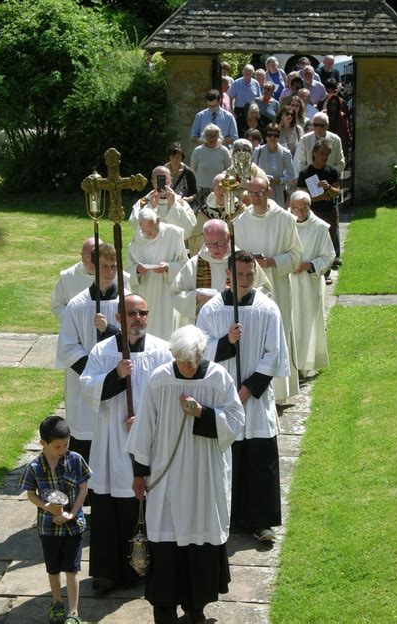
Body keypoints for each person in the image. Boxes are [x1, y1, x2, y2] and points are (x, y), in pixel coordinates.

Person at [127, 325, 245, 624]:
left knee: (200, 541)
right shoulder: (160, 379)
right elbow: (144, 429)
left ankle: (196, 609)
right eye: (181, 362)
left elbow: (235, 419)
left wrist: (204, 413)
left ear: (201, 353)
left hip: (204, 477)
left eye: (191, 362)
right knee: (165, 543)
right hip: (167, 478)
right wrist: (139, 473)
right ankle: (164, 612)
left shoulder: (218, 377)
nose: (187, 368)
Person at [79, 294, 172, 595]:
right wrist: (116, 376)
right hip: (110, 441)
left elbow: (170, 396)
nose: (138, 319)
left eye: (143, 313)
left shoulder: (162, 351)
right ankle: (107, 572)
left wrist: (147, 422)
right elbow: (87, 388)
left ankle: (143, 566)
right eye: (131, 314)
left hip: (147, 442)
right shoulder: (103, 351)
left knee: (146, 504)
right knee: (108, 506)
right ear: (118, 318)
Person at [196, 251, 289, 542]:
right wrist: (226, 342)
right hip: (223, 396)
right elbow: (198, 351)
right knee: (228, 457)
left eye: (250, 274)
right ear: (228, 274)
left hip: (255, 397)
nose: (246, 280)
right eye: (240, 274)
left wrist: (247, 389)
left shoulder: (267, 308)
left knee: (260, 458)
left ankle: (263, 522)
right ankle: (232, 516)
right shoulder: (210, 310)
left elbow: (274, 355)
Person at [56, 244, 126, 467]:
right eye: (104, 266)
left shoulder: (127, 302)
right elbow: (68, 348)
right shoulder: (77, 305)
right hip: (85, 386)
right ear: (92, 267)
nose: (110, 271)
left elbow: (137, 341)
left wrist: (111, 329)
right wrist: (95, 374)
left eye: (113, 266)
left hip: (119, 384)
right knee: (86, 441)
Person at [233, 177, 303, 402]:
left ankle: (280, 392)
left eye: (260, 192)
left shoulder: (285, 219)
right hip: (248, 286)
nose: (256, 197)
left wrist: (272, 261)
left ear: (269, 191)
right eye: (252, 194)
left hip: (277, 283)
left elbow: (296, 255)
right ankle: (250, 386)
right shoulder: (241, 221)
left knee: (277, 330)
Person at [20, 415, 91, 624]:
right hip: (48, 527)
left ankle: (74, 611)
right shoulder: (34, 467)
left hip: (73, 526)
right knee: (53, 568)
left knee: (72, 569)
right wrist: (47, 508)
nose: (63, 450)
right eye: (58, 447)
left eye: (66, 445)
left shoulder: (75, 459)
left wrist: (73, 512)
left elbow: (83, 488)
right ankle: (57, 603)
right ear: (43, 443)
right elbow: (30, 494)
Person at [172, 218, 273, 324]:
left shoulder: (243, 260)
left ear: (228, 237)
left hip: (241, 322)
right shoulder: (194, 264)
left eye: (219, 243)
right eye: (210, 244)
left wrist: (241, 294)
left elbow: (265, 289)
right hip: (206, 324)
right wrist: (196, 297)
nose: (215, 249)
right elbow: (176, 293)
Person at [289, 192, 335, 374]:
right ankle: (291, 367)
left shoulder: (320, 228)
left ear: (310, 206)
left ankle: (306, 366)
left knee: (307, 321)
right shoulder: (283, 223)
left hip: (309, 282)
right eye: (296, 208)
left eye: (304, 208)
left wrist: (309, 265)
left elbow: (329, 255)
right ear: (290, 205)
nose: (300, 212)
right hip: (287, 280)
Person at [127, 208, 188, 340]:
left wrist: (168, 267)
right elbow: (128, 269)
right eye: (145, 231)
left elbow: (185, 265)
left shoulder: (174, 234)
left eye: (151, 230)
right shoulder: (137, 239)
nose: (148, 234)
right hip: (146, 291)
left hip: (167, 293)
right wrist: (137, 270)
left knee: (166, 330)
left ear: (158, 221)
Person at [296, 139, 341, 276]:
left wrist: (328, 187)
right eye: (322, 153)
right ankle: (312, 269)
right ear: (314, 153)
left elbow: (337, 192)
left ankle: (326, 272)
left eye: (327, 154)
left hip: (329, 212)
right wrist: (321, 197)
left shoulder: (332, 171)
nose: (324, 157)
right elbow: (301, 196)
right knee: (313, 243)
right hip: (312, 213)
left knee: (329, 242)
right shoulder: (305, 172)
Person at [129, 166, 196, 240]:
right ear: (153, 182)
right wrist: (150, 207)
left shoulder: (181, 203)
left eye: (166, 181)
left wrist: (174, 206)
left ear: (171, 181)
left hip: (172, 248)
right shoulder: (143, 203)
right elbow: (135, 224)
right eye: (159, 181)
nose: (163, 185)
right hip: (150, 247)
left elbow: (189, 229)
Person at [50, 237, 101, 325]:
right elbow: (57, 305)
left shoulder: (118, 276)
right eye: (88, 257)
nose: (93, 262)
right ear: (81, 256)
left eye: (97, 257)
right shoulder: (68, 276)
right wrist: (74, 321)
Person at [252, 123, 296, 208]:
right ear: (266, 136)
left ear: (278, 137)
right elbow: (252, 171)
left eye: (275, 135)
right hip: (261, 191)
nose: (272, 137)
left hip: (279, 192)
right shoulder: (258, 151)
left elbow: (291, 175)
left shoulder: (286, 153)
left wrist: (279, 180)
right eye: (269, 135)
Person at [190, 124, 232, 210]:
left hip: (219, 191)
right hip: (200, 191)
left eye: (214, 136)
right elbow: (192, 170)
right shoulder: (198, 151)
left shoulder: (224, 151)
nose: (212, 138)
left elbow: (229, 171)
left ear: (219, 136)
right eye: (209, 136)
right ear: (204, 136)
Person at [293, 112, 345, 177]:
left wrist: (331, 174)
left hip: (330, 179)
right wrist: (312, 177)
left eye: (321, 125)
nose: (318, 128)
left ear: (327, 126)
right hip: (310, 179)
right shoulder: (305, 140)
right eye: (315, 125)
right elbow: (299, 163)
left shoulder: (336, 140)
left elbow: (340, 163)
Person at [228, 64, 261, 135]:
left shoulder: (256, 83)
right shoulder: (236, 83)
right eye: (246, 73)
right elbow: (230, 98)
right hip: (240, 111)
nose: (248, 75)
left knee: (252, 133)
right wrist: (232, 112)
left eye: (250, 74)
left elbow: (259, 99)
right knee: (240, 133)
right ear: (243, 72)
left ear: (253, 73)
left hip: (252, 112)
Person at [165, 142, 197, 207]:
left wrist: (189, 199)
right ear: (169, 157)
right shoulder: (162, 171)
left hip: (182, 206)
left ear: (181, 157)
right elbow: (157, 189)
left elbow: (196, 193)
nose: (175, 160)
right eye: (173, 157)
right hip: (166, 205)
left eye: (178, 157)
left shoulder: (188, 172)